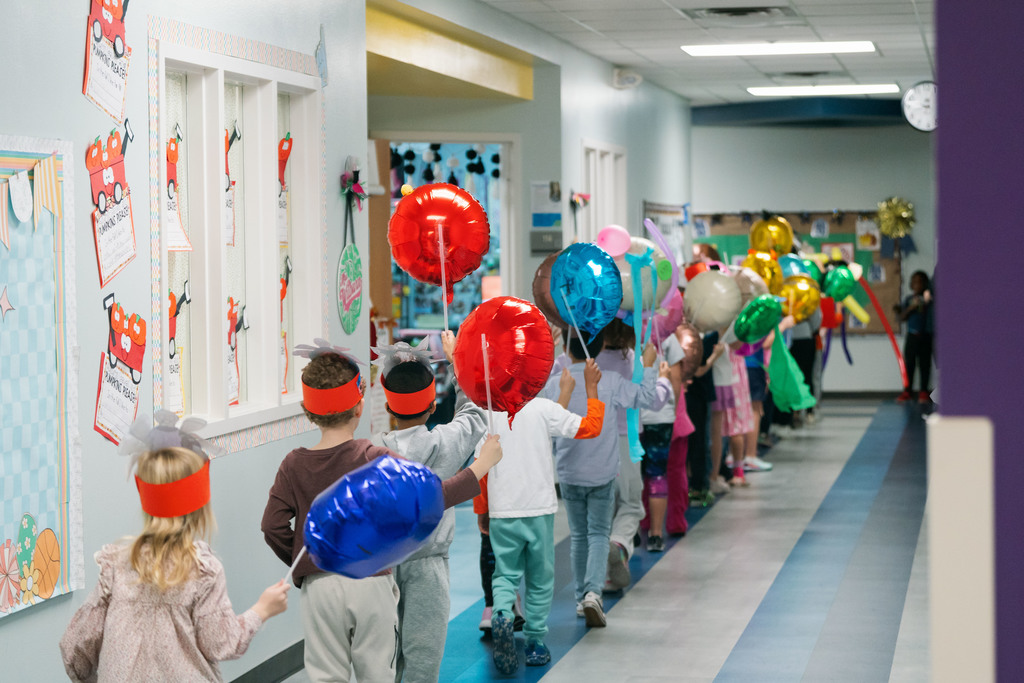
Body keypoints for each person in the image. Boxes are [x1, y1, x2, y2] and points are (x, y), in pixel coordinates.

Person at [261, 341, 502, 683]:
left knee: (325, 674)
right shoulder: (373, 456)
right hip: (381, 577)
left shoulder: (299, 462)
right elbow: (431, 494)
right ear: (360, 407)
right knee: (390, 666)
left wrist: (310, 561)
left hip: (324, 584)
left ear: (306, 408)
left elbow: (272, 527)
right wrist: (479, 467)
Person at [61, 412, 291, 683]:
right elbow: (220, 643)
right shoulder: (203, 571)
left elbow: (74, 644)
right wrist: (262, 609)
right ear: (200, 506)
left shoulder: (117, 565)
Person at [370, 330, 487, 683]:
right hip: (429, 566)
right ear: (433, 405)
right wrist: (455, 362)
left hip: (381, 569)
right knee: (424, 658)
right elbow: (474, 415)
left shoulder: (372, 450)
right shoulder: (445, 444)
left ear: (389, 407)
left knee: (384, 659)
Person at [476, 360, 605, 674]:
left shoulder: (488, 415)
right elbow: (591, 427)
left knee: (505, 574)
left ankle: (503, 614)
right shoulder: (544, 409)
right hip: (539, 511)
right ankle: (534, 642)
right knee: (540, 579)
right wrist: (590, 387)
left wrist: (483, 509)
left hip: (503, 511)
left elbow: (481, 467)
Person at [544, 328, 662, 628]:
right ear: (599, 349)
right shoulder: (608, 382)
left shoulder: (556, 383)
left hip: (569, 473)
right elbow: (646, 397)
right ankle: (593, 594)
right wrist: (648, 365)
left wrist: (552, 352)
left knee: (579, 536)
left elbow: (534, 401)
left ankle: (581, 597)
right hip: (603, 473)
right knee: (598, 533)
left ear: (568, 351)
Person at [595, 320, 671, 590]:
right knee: (630, 504)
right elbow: (652, 399)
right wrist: (662, 378)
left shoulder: (592, 361)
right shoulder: (635, 363)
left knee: (603, 507)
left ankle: (604, 574)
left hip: (596, 441)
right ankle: (619, 545)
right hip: (627, 443)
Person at [639, 329, 689, 549]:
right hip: (661, 416)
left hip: (631, 415)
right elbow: (676, 377)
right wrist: (672, 407)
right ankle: (656, 534)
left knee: (633, 475)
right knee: (657, 473)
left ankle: (629, 531)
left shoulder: (625, 332)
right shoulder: (665, 334)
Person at [895, 270, 934, 404]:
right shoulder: (908, 299)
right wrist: (910, 308)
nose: (917, 284)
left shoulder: (928, 295)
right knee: (909, 364)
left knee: (924, 364)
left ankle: (924, 391)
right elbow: (902, 317)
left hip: (925, 336)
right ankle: (907, 391)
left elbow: (927, 300)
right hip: (912, 336)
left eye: (920, 282)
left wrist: (922, 299)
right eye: (914, 282)